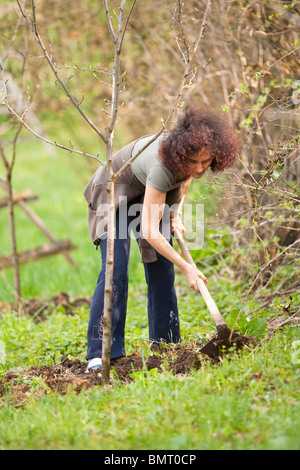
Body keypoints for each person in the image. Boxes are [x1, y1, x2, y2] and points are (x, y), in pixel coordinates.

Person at [83, 105, 239, 372]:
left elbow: (186, 180)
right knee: (115, 270)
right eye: (194, 162)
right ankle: (100, 354)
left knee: (161, 268)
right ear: (181, 157)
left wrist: (175, 213)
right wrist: (189, 267)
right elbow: (149, 232)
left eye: (206, 161)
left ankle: (166, 345)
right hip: (114, 191)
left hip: (150, 191)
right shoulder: (164, 167)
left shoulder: (191, 162)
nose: (200, 168)